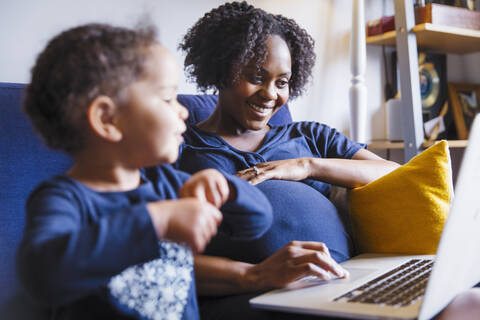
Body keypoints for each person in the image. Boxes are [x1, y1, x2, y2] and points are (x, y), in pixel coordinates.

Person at [175, 2, 480, 320]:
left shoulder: (309, 137)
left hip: (346, 284)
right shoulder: (179, 148)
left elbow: (396, 174)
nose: (270, 93)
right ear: (222, 68)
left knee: (472, 303)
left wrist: (307, 165)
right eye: (256, 77)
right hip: (265, 295)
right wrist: (258, 274)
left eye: (282, 82)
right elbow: (156, 257)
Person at [16, 23, 272, 320]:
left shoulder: (166, 184)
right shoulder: (65, 199)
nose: (183, 111)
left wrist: (226, 188)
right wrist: (157, 221)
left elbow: (257, 222)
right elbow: (41, 276)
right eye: (167, 99)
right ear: (107, 119)